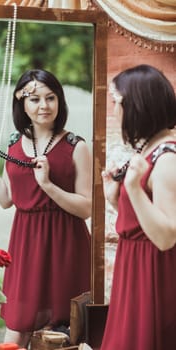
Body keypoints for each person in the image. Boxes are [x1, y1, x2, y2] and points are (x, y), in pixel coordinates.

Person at [0, 69, 92, 347]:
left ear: (60, 101)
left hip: (67, 244)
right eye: (35, 99)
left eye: (51, 98)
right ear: (22, 104)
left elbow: (86, 208)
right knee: (17, 326)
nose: (44, 106)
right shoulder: (14, 145)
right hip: (25, 243)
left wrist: (48, 186)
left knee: (62, 330)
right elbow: (6, 199)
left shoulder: (76, 146)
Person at [101, 64, 176, 350]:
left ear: (138, 106)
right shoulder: (148, 149)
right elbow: (143, 222)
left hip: (152, 275)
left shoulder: (168, 158)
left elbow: (166, 237)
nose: (114, 111)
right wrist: (114, 197)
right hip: (134, 266)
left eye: (116, 102)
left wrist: (132, 188)